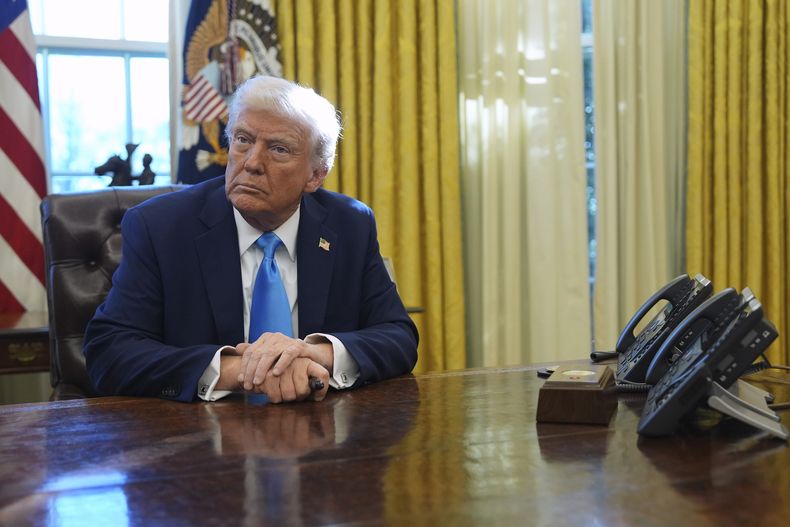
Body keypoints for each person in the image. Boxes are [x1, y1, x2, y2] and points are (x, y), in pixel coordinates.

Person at [83, 75, 418, 403]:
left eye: (279, 149)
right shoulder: (161, 227)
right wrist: (241, 371)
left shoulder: (349, 226)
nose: (252, 162)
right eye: (243, 139)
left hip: (322, 435)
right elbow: (110, 352)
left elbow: (398, 336)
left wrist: (313, 352)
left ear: (316, 175)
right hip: (199, 443)